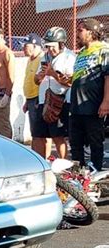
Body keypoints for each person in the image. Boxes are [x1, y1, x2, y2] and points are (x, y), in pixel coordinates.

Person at [70, 19, 108, 171]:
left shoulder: (104, 50)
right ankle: (78, 175)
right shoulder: (81, 53)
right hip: (77, 106)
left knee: (95, 142)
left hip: (93, 105)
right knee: (75, 142)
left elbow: (107, 77)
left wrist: (106, 101)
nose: (78, 33)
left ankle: (96, 173)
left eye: (81, 30)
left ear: (91, 32)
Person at [34, 27, 75, 159]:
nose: (50, 49)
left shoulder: (69, 57)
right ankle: (41, 162)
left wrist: (53, 74)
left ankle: (63, 163)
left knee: (58, 135)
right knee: (38, 135)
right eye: (48, 46)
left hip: (59, 101)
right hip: (43, 100)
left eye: (53, 46)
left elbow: (70, 82)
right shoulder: (45, 57)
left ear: (61, 44)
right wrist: (40, 76)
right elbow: (36, 80)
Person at [22, 33, 49, 157]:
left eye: (26, 45)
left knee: (40, 133)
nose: (23, 48)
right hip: (31, 99)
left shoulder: (41, 59)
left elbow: (41, 80)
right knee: (35, 132)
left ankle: (45, 158)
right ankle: (37, 156)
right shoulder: (30, 60)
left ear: (34, 45)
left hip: (39, 99)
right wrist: (27, 101)